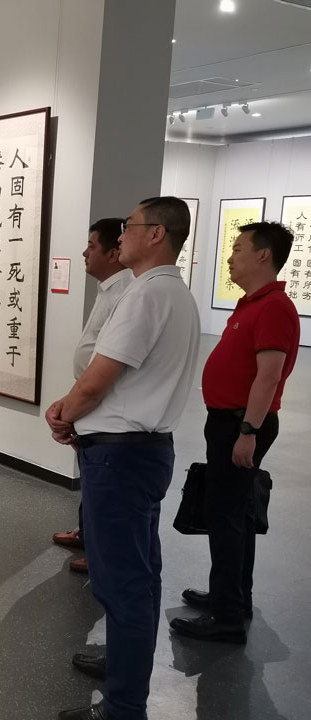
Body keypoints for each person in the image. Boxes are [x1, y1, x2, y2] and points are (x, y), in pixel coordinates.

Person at [46, 197, 200, 720]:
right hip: (142, 453)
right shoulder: (173, 293)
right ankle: (123, 669)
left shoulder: (146, 295)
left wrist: (65, 414)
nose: (120, 236)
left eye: (130, 226)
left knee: (124, 586)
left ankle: (123, 707)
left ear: (156, 234)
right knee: (140, 576)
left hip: (121, 459)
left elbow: (98, 380)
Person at [171, 222, 300, 645]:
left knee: (225, 515)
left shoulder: (274, 307)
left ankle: (226, 617)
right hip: (231, 422)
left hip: (241, 424)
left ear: (263, 255)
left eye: (238, 248)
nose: (230, 257)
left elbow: (269, 375)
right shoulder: (252, 304)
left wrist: (248, 431)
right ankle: (233, 598)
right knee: (235, 513)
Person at [53, 218, 132, 576]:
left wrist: (70, 409)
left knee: (104, 484)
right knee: (90, 475)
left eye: (92, 246)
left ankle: (100, 551)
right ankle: (87, 534)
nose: (85, 253)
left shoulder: (127, 293)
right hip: (89, 399)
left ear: (114, 253)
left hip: (104, 403)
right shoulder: (108, 289)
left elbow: (107, 367)